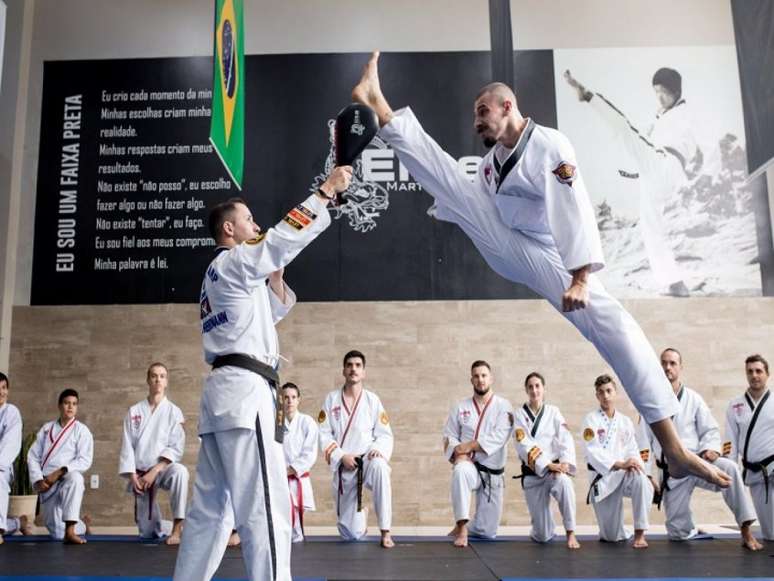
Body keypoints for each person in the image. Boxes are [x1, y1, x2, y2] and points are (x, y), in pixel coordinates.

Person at [351, 51, 728, 490]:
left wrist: (582, 278)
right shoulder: (492, 164)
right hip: (512, 247)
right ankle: (379, 105)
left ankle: (675, 449)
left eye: (482, 112)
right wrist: (458, 209)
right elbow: (475, 198)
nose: (477, 122)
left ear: (508, 106)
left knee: (614, 325)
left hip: (551, 256)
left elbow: (575, 208)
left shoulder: (550, 145)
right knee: (454, 181)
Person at [172, 166, 352, 581]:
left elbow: (262, 319)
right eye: (250, 221)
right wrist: (324, 193)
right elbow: (279, 239)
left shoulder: (219, 275)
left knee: (211, 512)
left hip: (225, 396)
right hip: (246, 395)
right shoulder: (234, 262)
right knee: (266, 507)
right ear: (231, 229)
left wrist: (273, 277)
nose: (256, 225)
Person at [564, 67, 699, 297]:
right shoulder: (664, 116)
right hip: (656, 172)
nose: (660, 96)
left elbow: (685, 148)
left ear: (676, 91)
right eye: (656, 92)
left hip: (666, 163)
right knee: (651, 228)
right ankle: (675, 282)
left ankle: (587, 95)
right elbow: (651, 144)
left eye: (664, 91)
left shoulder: (683, 114)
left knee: (625, 128)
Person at [638, 348, 761, 550]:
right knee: (677, 533)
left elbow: (710, 429)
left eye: (672, 363)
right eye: (664, 363)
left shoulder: (693, 399)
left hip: (698, 461)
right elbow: (643, 442)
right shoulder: (650, 402)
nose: (667, 367)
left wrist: (711, 448)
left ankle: (746, 530)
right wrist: (648, 473)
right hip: (673, 471)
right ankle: (690, 529)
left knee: (729, 468)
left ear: (680, 367)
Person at [318, 350, 394, 548]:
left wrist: (378, 449)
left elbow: (385, 433)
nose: (353, 369)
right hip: (345, 464)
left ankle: (386, 531)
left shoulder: (372, 400)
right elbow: (324, 434)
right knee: (351, 534)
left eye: (358, 365)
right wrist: (341, 456)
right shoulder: (332, 399)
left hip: (367, 459)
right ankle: (362, 515)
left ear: (364, 372)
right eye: (349, 365)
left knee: (380, 467)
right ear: (343, 370)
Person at [443, 360, 513, 547]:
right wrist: (458, 452)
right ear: (471, 380)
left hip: (492, 472)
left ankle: (472, 525)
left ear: (491, 378)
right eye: (476, 376)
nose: (480, 380)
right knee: (460, 472)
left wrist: (469, 446)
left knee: (487, 532)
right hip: (469, 466)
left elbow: (499, 437)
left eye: (484, 375)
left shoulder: (504, 406)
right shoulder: (460, 406)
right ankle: (462, 528)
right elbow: (449, 435)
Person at [119, 362, 188, 544]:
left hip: (163, 469)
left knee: (180, 472)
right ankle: (163, 526)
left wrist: (155, 470)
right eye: (154, 376)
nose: (158, 379)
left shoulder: (174, 412)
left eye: (162, 376)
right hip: (141, 476)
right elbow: (127, 446)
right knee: (148, 533)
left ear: (166, 382)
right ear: (148, 380)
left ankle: (177, 529)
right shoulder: (134, 411)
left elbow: (176, 446)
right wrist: (133, 476)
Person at [582, 374, 652, 548]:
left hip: (624, 475)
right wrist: (620, 463)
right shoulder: (590, 420)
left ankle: (640, 534)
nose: (605, 396)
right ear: (597, 395)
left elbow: (632, 449)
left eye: (608, 391)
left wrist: (636, 465)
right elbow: (592, 451)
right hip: (603, 478)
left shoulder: (625, 421)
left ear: (615, 393)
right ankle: (620, 531)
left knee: (641, 481)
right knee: (612, 537)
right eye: (601, 392)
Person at [513, 372, 579, 549]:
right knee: (542, 536)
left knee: (565, 483)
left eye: (537, 386)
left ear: (544, 389)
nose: (534, 390)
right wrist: (547, 464)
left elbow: (565, 437)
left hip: (554, 471)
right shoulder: (519, 414)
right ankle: (543, 527)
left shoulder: (553, 411)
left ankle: (570, 532)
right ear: (526, 390)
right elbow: (523, 444)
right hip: (533, 475)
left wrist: (565, 462)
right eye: (530, 387)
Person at [27, 388, 93, 544]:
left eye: (74, 404)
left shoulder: (82, 431)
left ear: (77, 407)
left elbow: (84, 460)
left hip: (65, 478)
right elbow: (32, 456)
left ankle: (71, 530)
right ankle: (83, 525)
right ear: (59, 405)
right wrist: (38, 480)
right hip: (47, 485)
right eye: (66, 403)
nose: (70, 407)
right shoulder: (47, 429)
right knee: (57, 533)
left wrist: (60, 471)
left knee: (76, 478)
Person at [724, 354, 773, 541]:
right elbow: (730, 441)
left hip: (773, 466)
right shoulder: (736, 405)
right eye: (750, 371)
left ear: (767, 374)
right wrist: (730, 468)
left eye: (759, 371)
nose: (754, 375)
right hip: (755, 473)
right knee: (770, 530)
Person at [281, 382, 318, 543]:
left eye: (293, 397)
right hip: (279, 477)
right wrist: (278, 471)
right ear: (280, 400)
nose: (290, 401)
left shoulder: (307, 422)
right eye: (286, 397)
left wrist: (290, 470)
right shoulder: (275, 423)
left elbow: (310, 453)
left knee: (295, 522)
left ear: (298, 400)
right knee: (281, 518)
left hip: (296, 477)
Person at [0, 372, 31, 543]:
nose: (1, 392)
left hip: (1, 468)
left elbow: (9, 444)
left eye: (4, 388)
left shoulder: (11, 412)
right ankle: (18, 522)